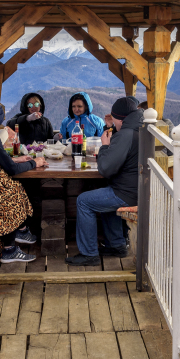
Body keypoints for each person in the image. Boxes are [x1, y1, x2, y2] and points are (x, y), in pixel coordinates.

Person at [0, 95, 48, 264]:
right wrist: (35, 162)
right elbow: (11, 170)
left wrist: (14, 159)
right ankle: (10, 248)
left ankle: (21, 231)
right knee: (14, 191)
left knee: (14, 188)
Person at [66, 96, 143, 266]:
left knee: (84, 201)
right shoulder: (140, 129)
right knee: (105, 192)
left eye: (114, 120)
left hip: (129, 194)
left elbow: (106, 169)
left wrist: (105, 146)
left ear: (120, 119)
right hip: (140, 189)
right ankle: (116, 245)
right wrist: (112, 132)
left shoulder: (126, 134)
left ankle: (89, 254)